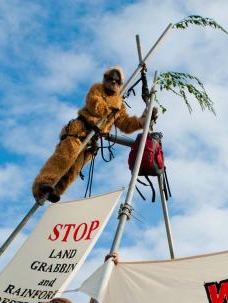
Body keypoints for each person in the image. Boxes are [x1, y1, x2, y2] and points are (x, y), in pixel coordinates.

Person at [31, 66, 156, 204]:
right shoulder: (98, 89)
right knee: (65, 157)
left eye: (117, 81)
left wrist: (142, 121)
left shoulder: (119, 105)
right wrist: (112, 105)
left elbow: (125, 124)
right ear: (105, 79)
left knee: (74, 169)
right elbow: (94, 105)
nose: (113, 83)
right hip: (79, 131)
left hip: (91, 141)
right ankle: (42, 185)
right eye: (111, 79)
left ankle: (54, 190)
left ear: (120, 84)